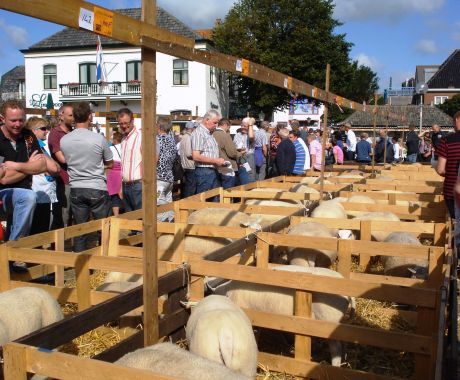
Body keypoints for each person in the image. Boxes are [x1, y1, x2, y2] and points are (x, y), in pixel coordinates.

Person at [61, 102, 113, 252]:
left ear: (74, 117)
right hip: (96, 186)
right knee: (104, 228)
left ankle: (81, 265)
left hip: (76, 187)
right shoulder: (98, 139)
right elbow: (109, 163)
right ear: (89, 116)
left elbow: (67, 160)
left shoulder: (65, 140)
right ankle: (104, 263)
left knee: (80, 230)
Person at [0, 100, 46, 241]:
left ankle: (13, 249)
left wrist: (16, 166)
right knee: (28, 197)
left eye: (21, 120)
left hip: (23, 190)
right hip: (3, 194)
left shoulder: (28, 136)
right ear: (2, 119)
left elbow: (42, 165)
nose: (18, 124)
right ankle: (16, 247)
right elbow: (4, 178)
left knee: (27, 197)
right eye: (13, 120)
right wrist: (29, 166)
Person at [26, 117, 60, 234]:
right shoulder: (34, 148)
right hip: (38, 193)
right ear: (34, 131)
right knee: (38, 229)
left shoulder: (41, 146)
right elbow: (54, 168)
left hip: (44, 194)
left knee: (41, 228)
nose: (46, 131)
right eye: (43, 128)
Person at [48, 103, 74, 228]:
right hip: (63, 181)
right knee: (63, 216)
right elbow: (62, 159)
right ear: (61, 116)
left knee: (73, 217)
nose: (73, 117)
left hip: (75, 179)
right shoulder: (55, 133)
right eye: (70, 115)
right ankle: (58, 246)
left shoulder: (74, 132)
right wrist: (83, 159)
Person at [191, 110, 225, 197]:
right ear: (206, 120)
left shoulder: (208, 133)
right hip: (204, 172)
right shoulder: (199, 133)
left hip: (211, 171)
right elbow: (196, 156)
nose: (216, 125)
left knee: (215, 200)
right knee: (204, 201)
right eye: (215, 122)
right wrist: (215, 161)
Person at [436, 111, 460, 218]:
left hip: (452, 191)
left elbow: (440, 170)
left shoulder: (446, 140)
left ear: (456, 120)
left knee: (456, 225)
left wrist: (451, 173)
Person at [118, 108, 142, 212]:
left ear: (132, 121)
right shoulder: (123, 139)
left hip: (138, 185)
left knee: (140, 220)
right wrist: (120, 186)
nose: (123, 126)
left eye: (126, 123)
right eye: (121, 123)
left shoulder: (141, 136)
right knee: (130, 222)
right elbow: (122, 164)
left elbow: (153, 159)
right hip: (126, 185)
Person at [156, 116, 177, 219]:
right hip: (169, 178)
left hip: (159, 179)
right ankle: (172, 223)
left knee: (158, 203)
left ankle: (163, 226)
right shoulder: (172, 140)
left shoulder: (157, 140)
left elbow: (155, 158)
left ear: (158, 126)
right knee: (168, 203)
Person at [213, 118, 239, 189]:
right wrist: (240, 153)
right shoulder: (225, 135)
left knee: (218, 190)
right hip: (227, 166)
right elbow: (232, 153)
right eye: (229, 127)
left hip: (215, 166)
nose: (228, 129)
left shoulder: (212, 134)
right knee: (228, 191)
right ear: (225, 125)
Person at [107, 132, 123, 216]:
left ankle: (116, 216)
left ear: (115, 140)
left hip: (113, 174)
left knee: (114, 196)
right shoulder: (124, 147)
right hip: (123, 173)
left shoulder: (111, 149)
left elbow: (107, 162)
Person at [179, 121, 197, 198]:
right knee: (190, 187)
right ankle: (188, 204)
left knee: (187, 185)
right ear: (192, 128)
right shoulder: (189, 137)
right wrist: (198, 156)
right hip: (190, 165)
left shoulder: (183, 137)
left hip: (185, 165)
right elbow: (188, 153)